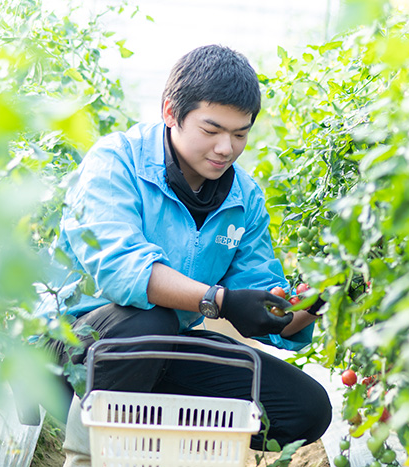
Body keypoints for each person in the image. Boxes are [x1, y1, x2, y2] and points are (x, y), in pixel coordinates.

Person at [36, 44, 332, 466]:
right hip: (75, 350)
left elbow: (271, 315)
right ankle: (87, 457)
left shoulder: (243, 197)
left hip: (160, 348)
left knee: (306, 406)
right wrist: (219, 301)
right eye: (212, 130)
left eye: (240, 133)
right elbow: (123, 272)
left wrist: (316, 301)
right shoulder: (115, 162)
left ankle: (170, 446)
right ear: (171, 111)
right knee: (149, 322)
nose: (226, 148)